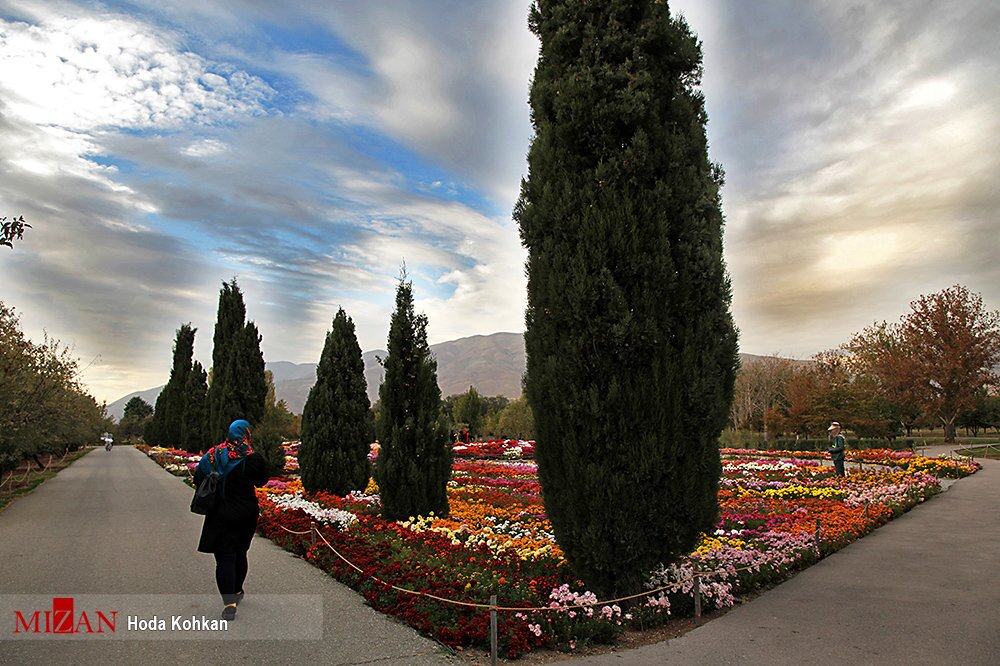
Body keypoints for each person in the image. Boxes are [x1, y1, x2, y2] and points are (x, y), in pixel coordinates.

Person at [194, 419, 269, 621]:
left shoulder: (212, 455)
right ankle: (236, 590)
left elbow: (198, 479)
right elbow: (262, 481)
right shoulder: (252, 459)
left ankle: (229, 604)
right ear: (246, 434)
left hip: (220, 513)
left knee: (224, 558)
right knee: (240, 552)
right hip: (246, 512)